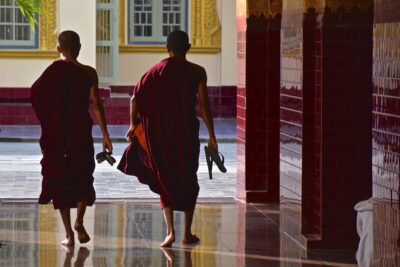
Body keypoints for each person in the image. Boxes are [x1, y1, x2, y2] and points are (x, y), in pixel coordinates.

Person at [118, 30, 218, 247]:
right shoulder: (197, 71)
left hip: (160, 134)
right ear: (189, 47)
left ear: (167, 48)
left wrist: (133, 124)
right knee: (189, 177)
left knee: (165, 178)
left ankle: (170, 232)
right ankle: (187, 233)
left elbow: (135, 99)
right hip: (186, 132)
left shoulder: (155, 72)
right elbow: (204, 105)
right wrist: (212, 135)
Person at [30, 30, 113, 246]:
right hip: (80, 132)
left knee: (59, 178)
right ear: (79, 48)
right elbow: (96, 104)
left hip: (56, 134)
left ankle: (68, 234)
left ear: (59, 49)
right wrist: (105, 134)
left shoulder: (51, 72)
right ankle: (79, 221)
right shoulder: (88, 73)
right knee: (83, 173)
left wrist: (49, 120)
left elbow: (35, 94)